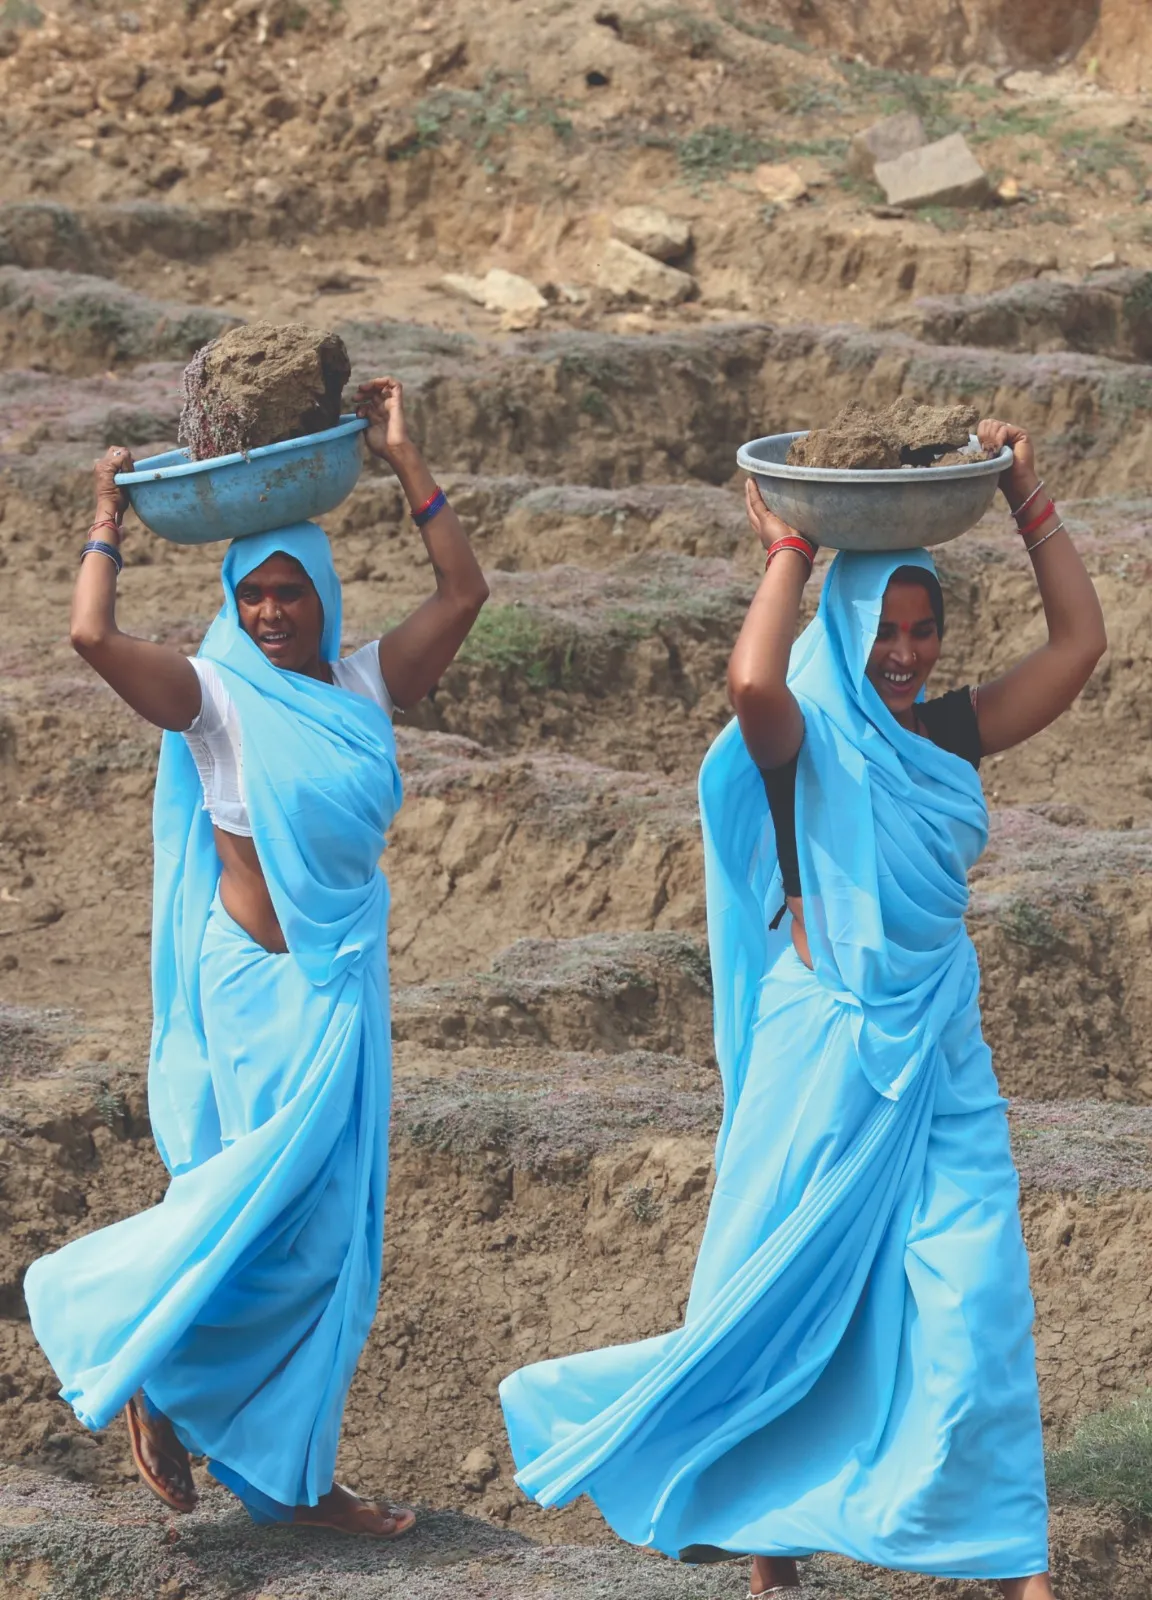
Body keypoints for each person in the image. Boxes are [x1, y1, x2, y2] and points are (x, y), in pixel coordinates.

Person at [499, 419, 1106, 1599]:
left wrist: (1029, 496)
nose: (907, 650)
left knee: (976, 1292)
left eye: (925, 627)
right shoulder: (800, 740)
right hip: (822, 1052)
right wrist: (789, 547)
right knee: (778, 1297)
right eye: (886, 626)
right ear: (847, 622)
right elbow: (749, 679)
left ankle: (1018, 1564)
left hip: (941, 1049)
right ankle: (771, 1552)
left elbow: (1080, 643)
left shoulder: (950, 734)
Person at [24, 376, 489, 1537]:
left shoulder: (365, 686)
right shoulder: (217, 698)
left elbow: (466, 587)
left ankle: (278, 1465)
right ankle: (149, 1361)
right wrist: (105, 520)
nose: (274, 611)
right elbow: (90, 635)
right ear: (233, 601)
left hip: (343, 990)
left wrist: (402, 456)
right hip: (256, 993)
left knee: (331, 1247)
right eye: (255, 594)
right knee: (258, 1212)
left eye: (291, 592)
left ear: (324, 598)